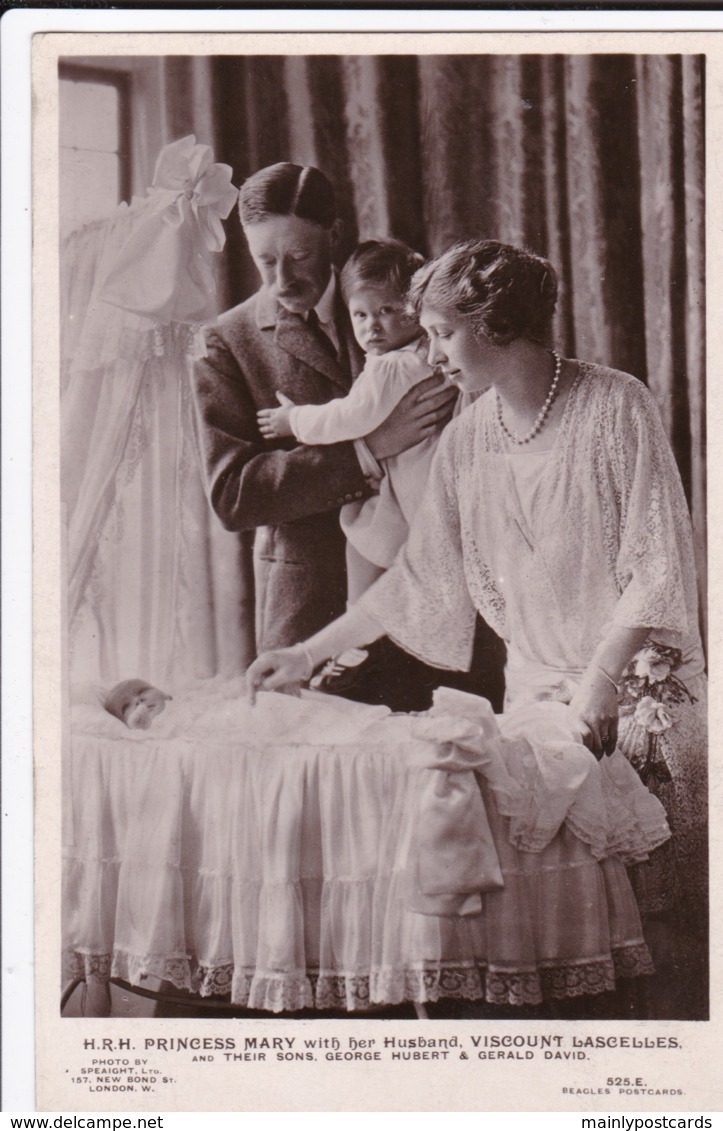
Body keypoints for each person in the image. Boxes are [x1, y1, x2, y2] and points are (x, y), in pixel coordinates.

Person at [247, 239, 707, 1018]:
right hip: (535, 707)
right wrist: (304, 651)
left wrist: (597, 686)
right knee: (573, 932)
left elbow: (657, 562)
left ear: (494, 323)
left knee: (668, 934)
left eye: (441, 334)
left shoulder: (613, 403)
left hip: (637, 703)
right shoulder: (466, 438)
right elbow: (420, 580)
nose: (429, 355)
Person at [191, 163, 463, 708]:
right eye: (265, 261)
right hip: (308, 605)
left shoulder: (392, 296)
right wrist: (369, 449)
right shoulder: (227, 342)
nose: (283, 280)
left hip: (432, 592)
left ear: (334, 235)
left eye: (300, 258)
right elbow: (233, 494)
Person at [257, 238, 439, 601]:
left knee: (362, 538)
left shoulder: (392, 366)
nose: (372, 326)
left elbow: (350, 416)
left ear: (415, 309)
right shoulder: (426, 350)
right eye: (360, 314)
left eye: (387, 310)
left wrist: (294, 421)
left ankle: (355, 627)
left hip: (413, 489)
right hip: (424, 479)